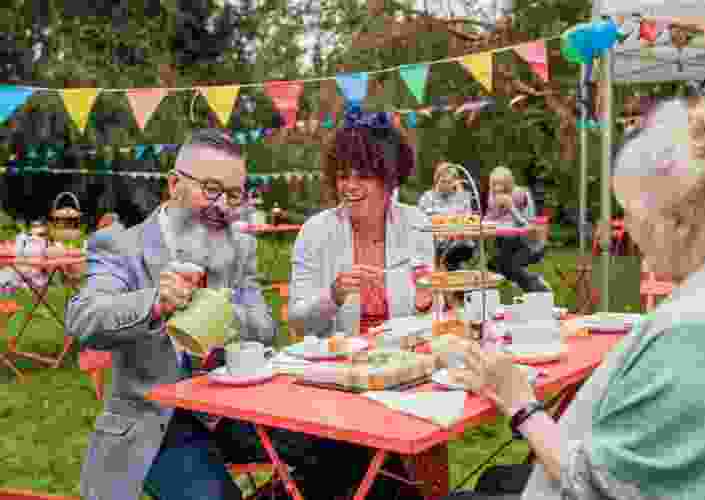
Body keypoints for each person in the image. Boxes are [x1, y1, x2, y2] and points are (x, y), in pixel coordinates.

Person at [441, 91, 705, 499]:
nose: (628, 230)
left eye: (631, 212)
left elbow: (595, 487)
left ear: (677, 223)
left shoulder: (697, 335)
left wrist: (521, 403)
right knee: (495, 479)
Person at [66, 129, 320, 500]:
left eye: (234, 195)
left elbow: (265, 330)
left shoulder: (240, 247)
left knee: (344, 451)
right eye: (211, 189)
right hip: (158, 424)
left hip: (235, 412)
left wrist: (222, 307)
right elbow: (83, 317)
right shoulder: (121, 245)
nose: (223, 206)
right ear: (174, 184)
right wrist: (156, 301)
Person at [288, 105, 435, 499]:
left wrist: (426, 303)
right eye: (342, 175)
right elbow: (299, 322)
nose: (349, 186)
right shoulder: (315, 232)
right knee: (368, 473)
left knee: (426, 438)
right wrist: (333, 296)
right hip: (339, 385)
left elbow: (433, 315)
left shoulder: (417, 224)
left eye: (363, 175)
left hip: (406, 375)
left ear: (389, 178)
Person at [485, 166, 549, 293]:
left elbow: (527, 226)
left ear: (509, 183)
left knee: (511, 267)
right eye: (494, 184)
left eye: (501, 184)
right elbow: (490, 218)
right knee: (494, 264)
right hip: (509, 242)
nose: (497, 188)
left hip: (529, 243)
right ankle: (526, 282)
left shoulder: (521, 196)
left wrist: (511, 208)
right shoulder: (494, 197)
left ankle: (538, 288)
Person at [417, 162, 477, 272]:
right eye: (443, 181)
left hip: (459, 243)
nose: (445, 185)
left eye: (449, 182)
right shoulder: (427, 197)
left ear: (455, 183)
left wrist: (460, 194)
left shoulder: (462, 197)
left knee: (459, 250)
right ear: (436, 180)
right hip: (435, 243)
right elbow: (421, 221)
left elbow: (468, 219)